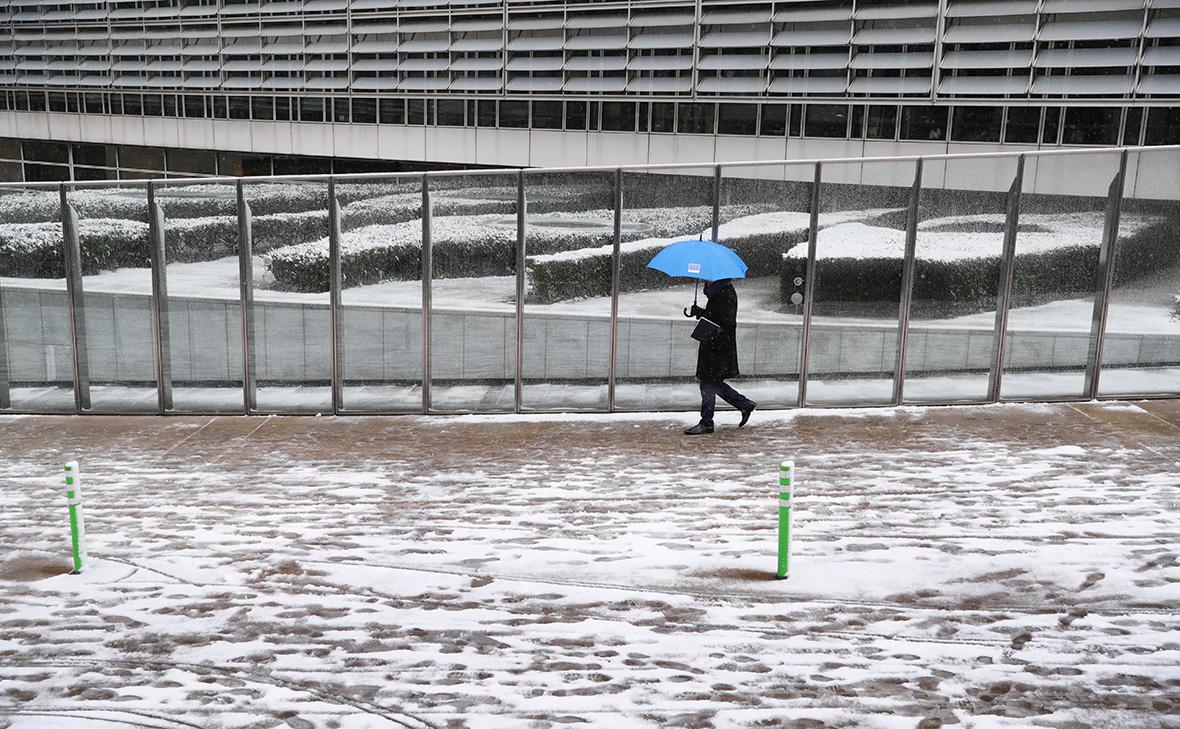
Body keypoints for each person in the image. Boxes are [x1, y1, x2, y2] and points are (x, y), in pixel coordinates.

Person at [684, 278, 756, 435]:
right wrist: (700, 312)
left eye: (706, 277)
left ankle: (707, 422)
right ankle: (743, 404)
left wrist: (714, 338)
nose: (703, 279)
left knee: (707, 383)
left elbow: (727, 323)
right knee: (711, 382)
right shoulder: (717, 293)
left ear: (715, 278)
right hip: (712, 345)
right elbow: (715, 316)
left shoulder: (725, 294)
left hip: (718, 348)